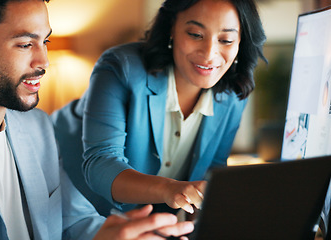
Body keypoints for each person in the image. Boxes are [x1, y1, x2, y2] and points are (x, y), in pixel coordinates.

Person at [0, 0, 195, 239]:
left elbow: (73, 220)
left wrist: (124, 234)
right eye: (26, 44)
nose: (43, 61)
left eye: (46, 42)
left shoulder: (38, 127)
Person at [52, 0, 267, 216]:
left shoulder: (234, 96)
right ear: (172, 27)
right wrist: (170, 189)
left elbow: (211, 173)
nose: (210, 53)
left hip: (148, 224)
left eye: (226, 40)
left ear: (241, 41)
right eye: (195, 34)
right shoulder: (120, 68)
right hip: (68, 206)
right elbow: (101, 164)